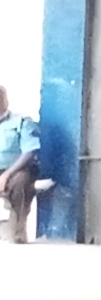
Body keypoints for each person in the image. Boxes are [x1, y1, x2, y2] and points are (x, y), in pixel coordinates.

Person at [0, 87, 43, 244]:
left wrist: (6, 175)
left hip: (15, 170)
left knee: (19, 183)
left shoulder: (21, 122)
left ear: (5, 101)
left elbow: (29, 151)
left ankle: (17, 231)